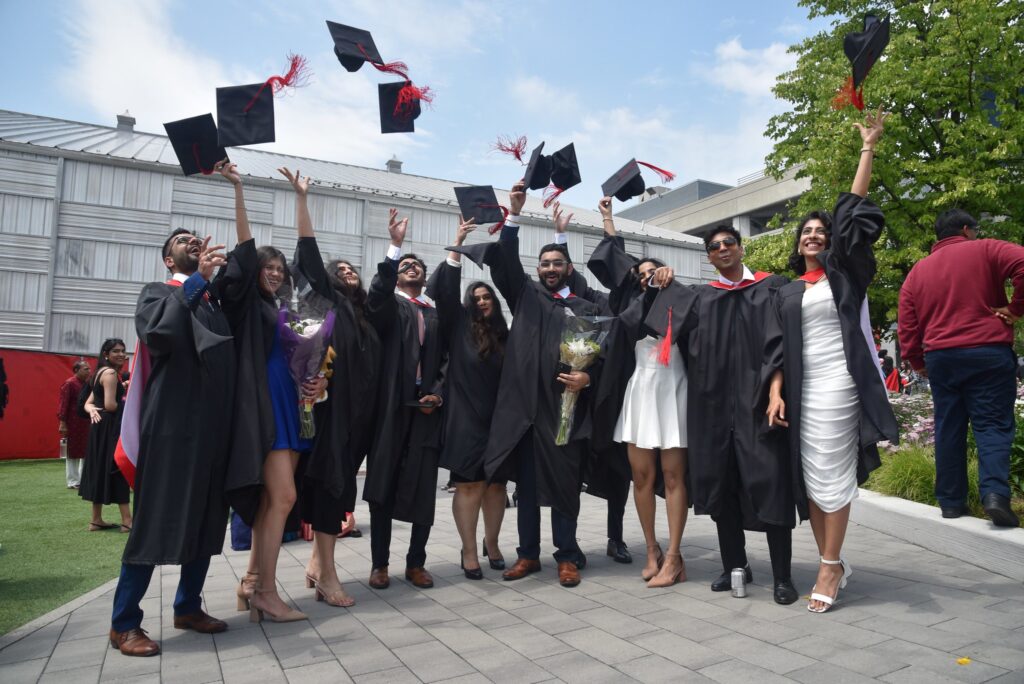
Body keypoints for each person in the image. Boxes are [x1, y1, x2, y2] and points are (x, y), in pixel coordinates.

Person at [764, 108, 899, 612]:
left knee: (831, 471)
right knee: (811, 478)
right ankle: (832, 559)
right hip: (800, 387)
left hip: (840, 382)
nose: (813, 236)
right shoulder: (787, 290)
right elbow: (777, 348)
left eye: (820, 231)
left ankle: (828, 565)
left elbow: (851, 211)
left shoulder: (846, 276)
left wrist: (868, 148)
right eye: (806, 232)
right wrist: (776, 391)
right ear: (797, 243)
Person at [646, 226, 798, 604]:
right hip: (712, 410)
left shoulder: (773, 288)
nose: (723, 249)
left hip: (759, 405)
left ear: (741, 248)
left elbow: (782, 346)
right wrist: (659, 283)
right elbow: (648, 322)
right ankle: (736, 567)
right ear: (708, 257)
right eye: (714, 247)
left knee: (772, 486)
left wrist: (776, 391)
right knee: (723, 489)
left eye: (729, 242)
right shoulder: (699, 298)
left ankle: (782, 577)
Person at [107, 228, 235, 657]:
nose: (192, 241)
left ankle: (187, 606)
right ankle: (124, 623)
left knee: (205, 517)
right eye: (182, 240)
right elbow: (159, 335)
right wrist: (197, 281)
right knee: (155, 519)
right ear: (168, 259)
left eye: (197, 238)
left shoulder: (215, 304)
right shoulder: (158, 292)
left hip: (212, 427)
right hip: (170, 425)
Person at [214, 161, 321, 622]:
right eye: (267, 267)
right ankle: (267, 592)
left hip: (291, 404)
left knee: (271, 500)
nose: (275, 273)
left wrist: (313, 380)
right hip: (263, 408)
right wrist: (239, 189)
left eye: (280, 269)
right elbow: (242, 249)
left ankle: (253, 583)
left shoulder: (282, 309)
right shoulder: (245, 303)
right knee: (283, 498)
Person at [483, 180, 602, 588]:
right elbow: (503, 264)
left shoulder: (586, 309)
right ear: (538, 270)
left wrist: (588, 376)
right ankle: (528, 555)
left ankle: (567, 556)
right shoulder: (526, 296)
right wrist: (513, 215)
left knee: (566, 485)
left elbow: (604, 354)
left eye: (558, 263)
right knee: (529, 489)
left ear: (568, 268)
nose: (551, 269)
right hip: (528, 413)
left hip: (564, 411)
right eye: (545, 264)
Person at [284, 167, 380, 608]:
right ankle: (329, 576)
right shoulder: (328, 303)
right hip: (331, 412)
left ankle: (316, 565)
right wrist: (302, 200)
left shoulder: (368, 316)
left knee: (341, 490)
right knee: (329, 486)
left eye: (350, 267)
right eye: (338, 269)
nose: (346, 270)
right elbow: (308, 254)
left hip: (361, 419)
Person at [898, 207, 1024, 528]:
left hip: (942, 358)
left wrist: (917, 362)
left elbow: (907, 325)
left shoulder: (918, 272)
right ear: (967, 230)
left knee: (948, 426)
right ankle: (995, 496)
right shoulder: (987, 249)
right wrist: (1015, 308)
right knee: (992, 425)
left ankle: (951, 503)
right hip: (987, 351)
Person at [589, 200, 689, 587]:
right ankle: (651, 549)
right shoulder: (629, 307)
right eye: (642, 273)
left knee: (674, 477)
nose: (649, 276)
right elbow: (616, 264)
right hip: (642, 393)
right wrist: (609, 222)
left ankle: (675, 556)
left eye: (655, 271)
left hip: (673, 390)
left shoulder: (681, 300)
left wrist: (671, 284)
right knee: (642, 478)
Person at [363, 210, 447, 590]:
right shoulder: (388, 305)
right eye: (405, 265)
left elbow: (446, 359)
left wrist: (439, 392)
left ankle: (416, 562)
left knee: (423, 486)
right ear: (398, 274)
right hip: (390, 406)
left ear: (425, 278)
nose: (412, 268)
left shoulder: (433, 312)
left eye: (417, 265)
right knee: (383, 485)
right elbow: (377, 294)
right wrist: (394, 247)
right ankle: (379, 564)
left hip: (425, 407)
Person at [426, 217, 509, 579]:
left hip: (499, 419)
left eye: (486, 296)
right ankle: (470, 551)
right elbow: (443, 293)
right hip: (465, 418)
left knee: (496, 486)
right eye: (475, 298)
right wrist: (457, 245)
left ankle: (492, 543)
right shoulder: (459, 327)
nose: (481, 301)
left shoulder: (506, 336)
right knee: (469, 484)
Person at [550, 204, 633, 566]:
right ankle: (571, 543)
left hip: (612, 397)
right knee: (573, 472)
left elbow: (620, 269)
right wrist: (561, 238)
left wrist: (609, 225)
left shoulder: (618, 304)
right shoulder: (584, 299)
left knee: (619, 472)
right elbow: (567, 277)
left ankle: (616, 537)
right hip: (578, 398)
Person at [79, 339, 132, 532]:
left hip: (99, 429)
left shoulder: (100, 373)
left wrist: (91, 408)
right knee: (116, 468)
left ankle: (96, 520)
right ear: (106, 354)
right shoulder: (110, 374)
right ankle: (127, 521)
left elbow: (89, 401)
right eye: (116, 351)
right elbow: (110, 405)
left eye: (123, 351)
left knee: (100, 468)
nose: (120, 354)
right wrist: (129, 405)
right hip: (110, 427)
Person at [57, 360, 91, 489]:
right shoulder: (69, 383)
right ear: (76, 370)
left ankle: (84, 479)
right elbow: (63, 404)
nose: (89, 371)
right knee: (72, 451)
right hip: (72, 422)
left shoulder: (87, 384)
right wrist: (62, 422)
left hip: (86, 422)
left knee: (86, 451)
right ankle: (72, 481)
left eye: (89, 369)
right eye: (86, 369)